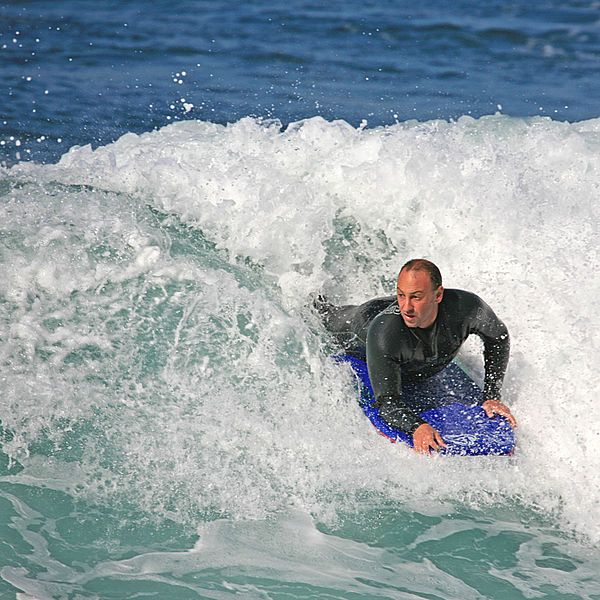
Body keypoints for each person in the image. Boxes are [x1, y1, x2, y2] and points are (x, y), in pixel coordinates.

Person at [315, 258, 516, 454]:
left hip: (399, 328)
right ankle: (310, 294)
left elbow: (498, 338)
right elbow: (387, 403)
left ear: (438, 295)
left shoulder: (467, 308)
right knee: (323, 313)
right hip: (358, 324)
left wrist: (491, 396)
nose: (406, 307)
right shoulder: (386, 334)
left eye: (416, 297)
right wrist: (416, 426)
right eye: (401, 295)